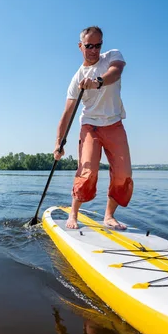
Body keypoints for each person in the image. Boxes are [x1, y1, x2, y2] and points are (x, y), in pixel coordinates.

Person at [54, 26, 133, 230]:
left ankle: (108, 216)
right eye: (89, 46)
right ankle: (73, 213)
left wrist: (97, 82)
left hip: (114, 123)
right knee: (87, 171)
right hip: (90, 127)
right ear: (80, 46)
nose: (94, 50)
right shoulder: (76, 78)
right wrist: (58, 143)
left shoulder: (112, 56)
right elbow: (67, 113)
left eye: (98, 45)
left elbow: (116, 72)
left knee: (123, 175)